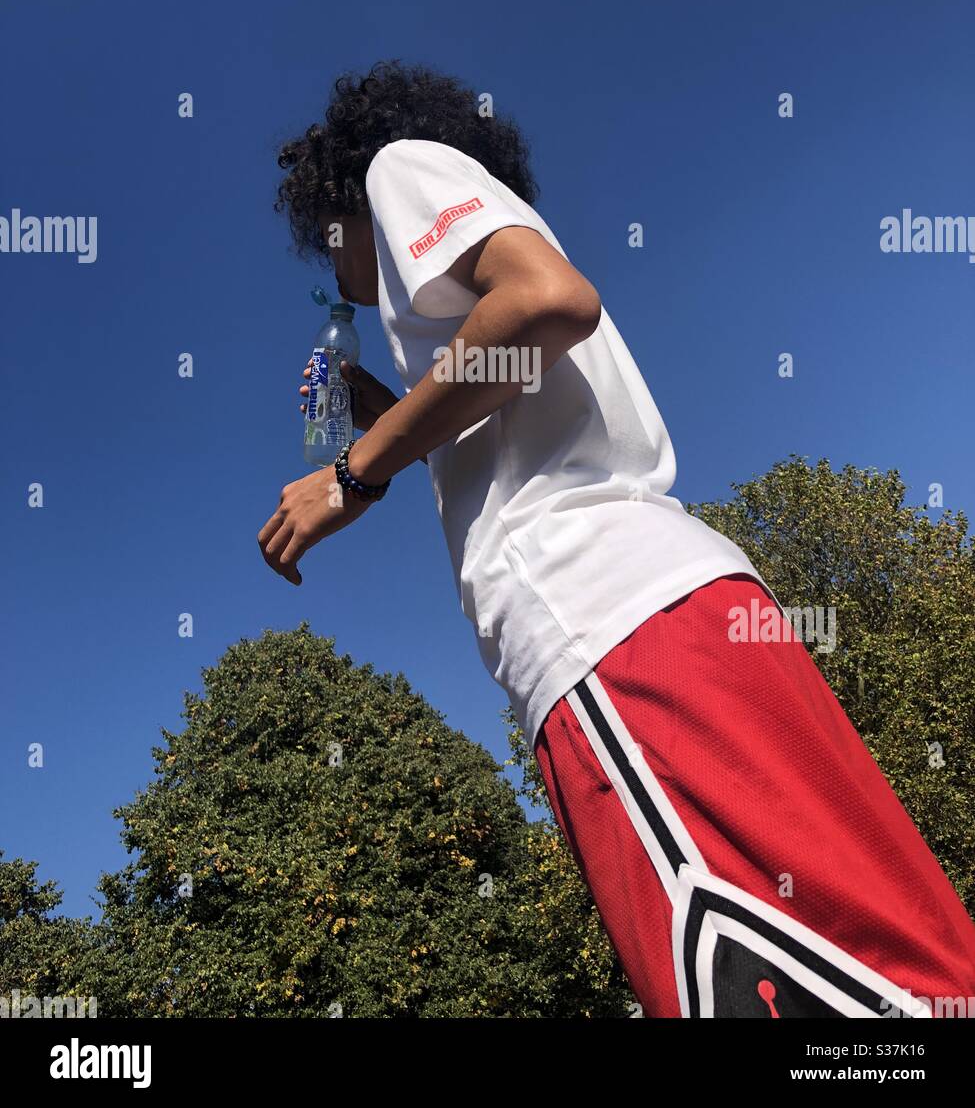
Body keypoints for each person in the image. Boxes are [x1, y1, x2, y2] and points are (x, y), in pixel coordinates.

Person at [259, 60, 975, 1018]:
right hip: (679, 609)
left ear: (337, 197)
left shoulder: (397, 168)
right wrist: (393, 441)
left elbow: (547, 302)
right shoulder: (465, 260)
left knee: (776, 994)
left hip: (601, 621)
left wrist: (352, 473)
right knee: (907, 976)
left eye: (325, 244)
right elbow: (515, 382)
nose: (337, 277)